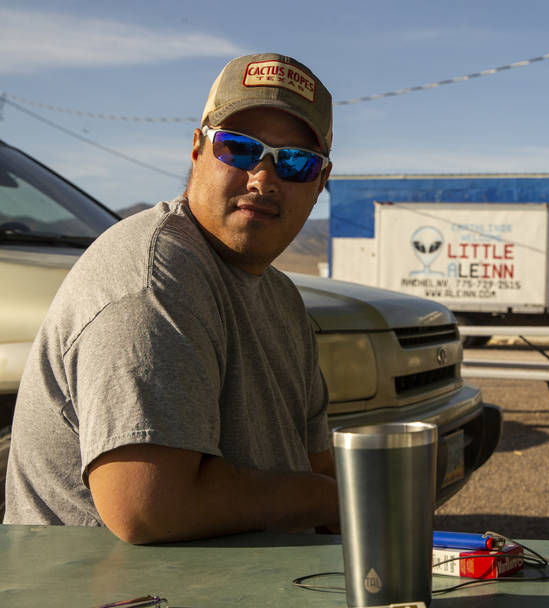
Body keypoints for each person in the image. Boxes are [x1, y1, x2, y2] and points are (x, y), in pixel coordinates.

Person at [3, 54, 339, 544]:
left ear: (321, 183)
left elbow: (315, 462)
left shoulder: (282, 299)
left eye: (295, 162)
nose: (263, 178)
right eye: (240, 149)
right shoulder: (153, 279)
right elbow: (148, 507)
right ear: (198, 149)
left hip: (241, 596)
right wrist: (329, 499)